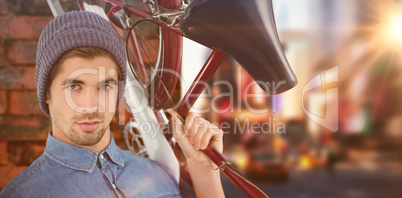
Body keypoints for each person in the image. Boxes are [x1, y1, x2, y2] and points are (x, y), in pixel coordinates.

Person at [0, 11, 224, 198]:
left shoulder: (158, 173)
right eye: (74, 87)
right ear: (46, 92)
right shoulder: (24, 194)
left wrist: (204, 171)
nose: (90, 106)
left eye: (105, 86)